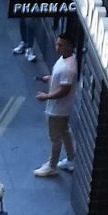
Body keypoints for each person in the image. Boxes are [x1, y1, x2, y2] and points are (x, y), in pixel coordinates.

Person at [34, 33, 79, 177]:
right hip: (61, 108)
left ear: (70, 47)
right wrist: (52, 78)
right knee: (65, 131)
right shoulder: (66, 59)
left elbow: (64, 90)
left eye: (61, 45)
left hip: (58, 109)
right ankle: (72, 158)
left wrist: (46, 96)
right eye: (57, 43)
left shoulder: (69, 68)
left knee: (55, 138)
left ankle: (51, 166)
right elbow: (62, 81)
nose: (57, 47)